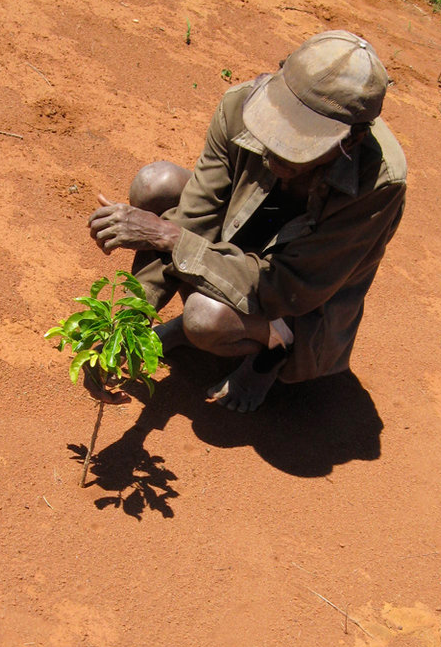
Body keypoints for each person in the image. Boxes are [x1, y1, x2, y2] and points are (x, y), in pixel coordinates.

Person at [88, 30, 406, 412]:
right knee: (157, 184)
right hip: (238, 242)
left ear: (350, 142)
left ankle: (273, 349)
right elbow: (195, 218)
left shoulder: (379, 184)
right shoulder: (239, 105)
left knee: (206, 317)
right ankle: (183, 332)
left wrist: (168, 237)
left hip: (300, 296)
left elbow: (287, 287)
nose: (272, 151)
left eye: (295, 148)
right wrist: (120, 332)